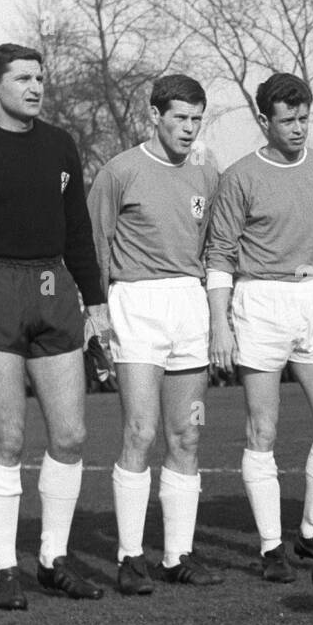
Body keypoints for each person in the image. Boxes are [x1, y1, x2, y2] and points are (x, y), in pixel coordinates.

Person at [0, 44, 111, 609]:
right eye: (22, 78)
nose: (35, 87)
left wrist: (97, 305)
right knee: (8, 438)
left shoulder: (61, 144)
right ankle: (4, 570)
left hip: (52, 286)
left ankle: (52, 561)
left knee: (70, 435)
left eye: (40, 78)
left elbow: (78, 231)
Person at [205, 73, 313, 582]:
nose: (298, 129)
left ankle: (311, 533)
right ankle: (270, 548)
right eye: (287, 120)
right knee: (262, 428)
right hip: (259, 302)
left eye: (304, 118)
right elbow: (220, 254)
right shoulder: (240, 177)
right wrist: (220, 325)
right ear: (264, 121)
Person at [88, 74, 223, 593]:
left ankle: (177, 555)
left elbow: (214, 248)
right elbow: (95, 246)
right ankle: (129, 556)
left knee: (186, 434)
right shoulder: (120, 171)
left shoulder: (207, 176)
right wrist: (95, 318)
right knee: (140, 432)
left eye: (196, 119)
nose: (188, 129)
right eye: (180, 118)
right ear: (155, 115)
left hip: (188, 304)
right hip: (136, 304)